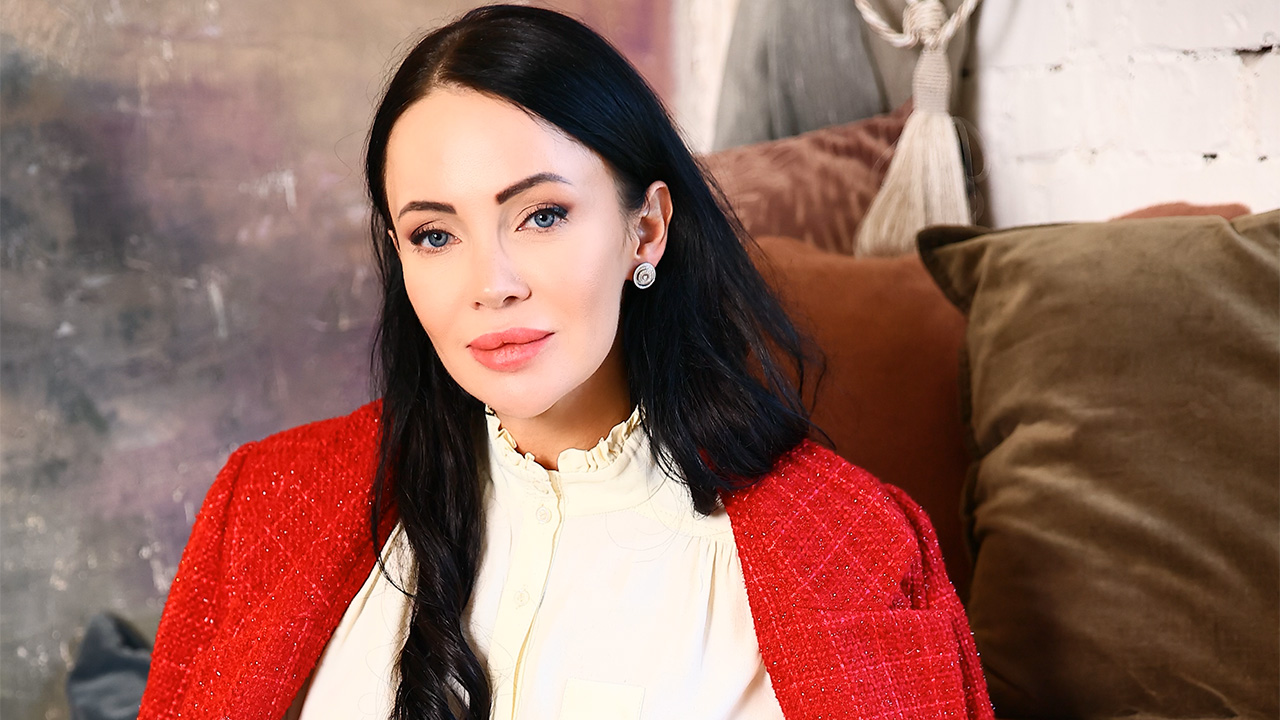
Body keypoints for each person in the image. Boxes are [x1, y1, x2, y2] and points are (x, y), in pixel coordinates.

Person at [138, 5, 993, 719]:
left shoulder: (852, 547)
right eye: (434, 234)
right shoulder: (265, 503)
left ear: (645, 229)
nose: (492, 284)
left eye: (541, 216)